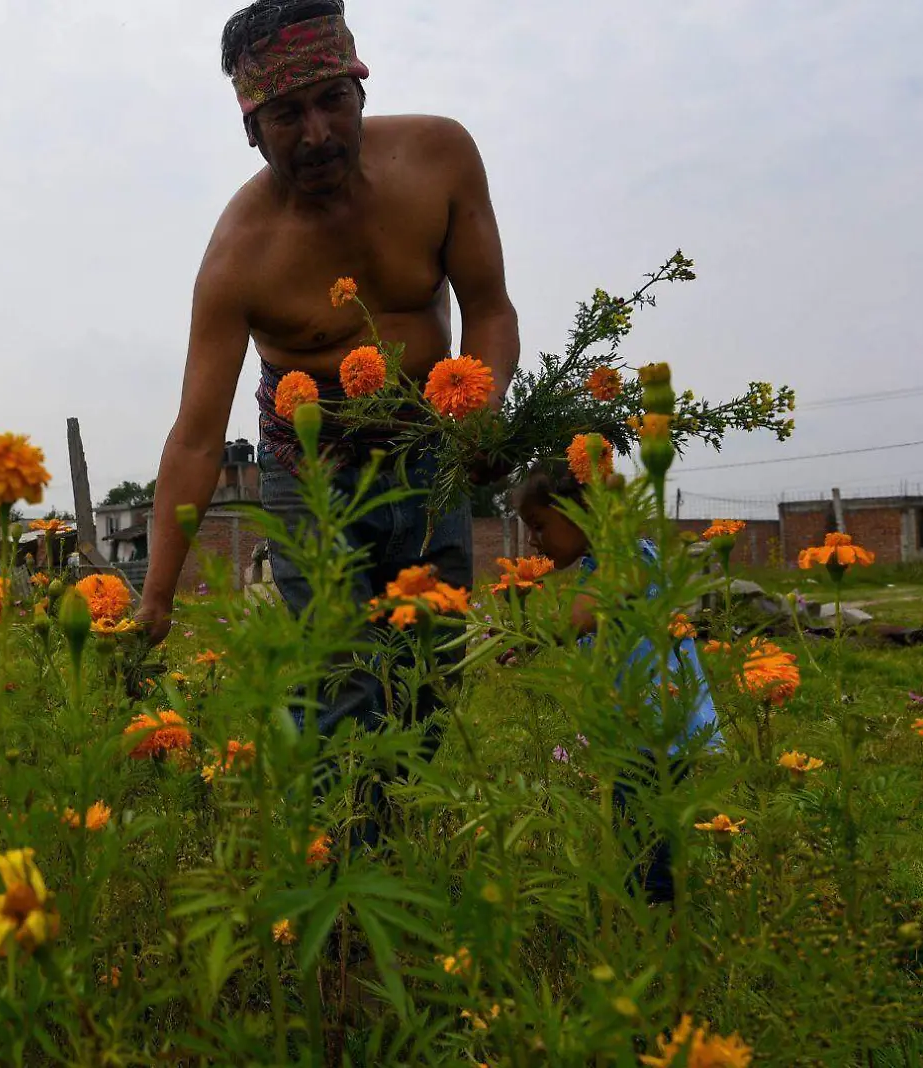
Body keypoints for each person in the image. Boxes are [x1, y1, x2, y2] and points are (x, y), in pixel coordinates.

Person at [136, 0, 520, 754]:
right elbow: (194, 440)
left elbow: (490, 311)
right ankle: (350, 849)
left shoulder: (440, 158)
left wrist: (483, 407)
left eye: (331, 101)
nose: (316, 134)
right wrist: (155, 600)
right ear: (251, 128)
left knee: (432, 669)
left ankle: (415, 842)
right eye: (285, 114)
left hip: (429, 449)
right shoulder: (237, 258)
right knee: (342, 682)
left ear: (360, 89)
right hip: (311, 470)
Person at [513, 460, 719, 903]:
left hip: (657, 728)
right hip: (634, 729)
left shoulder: (627, 557)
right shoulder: (601, 562)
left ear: (582, 511)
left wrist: (528, 633)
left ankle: (660, 922)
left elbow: (583, 615)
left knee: (646, 843)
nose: (534, 539)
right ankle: (651, 912)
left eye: (539, 524)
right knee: (635, 833)